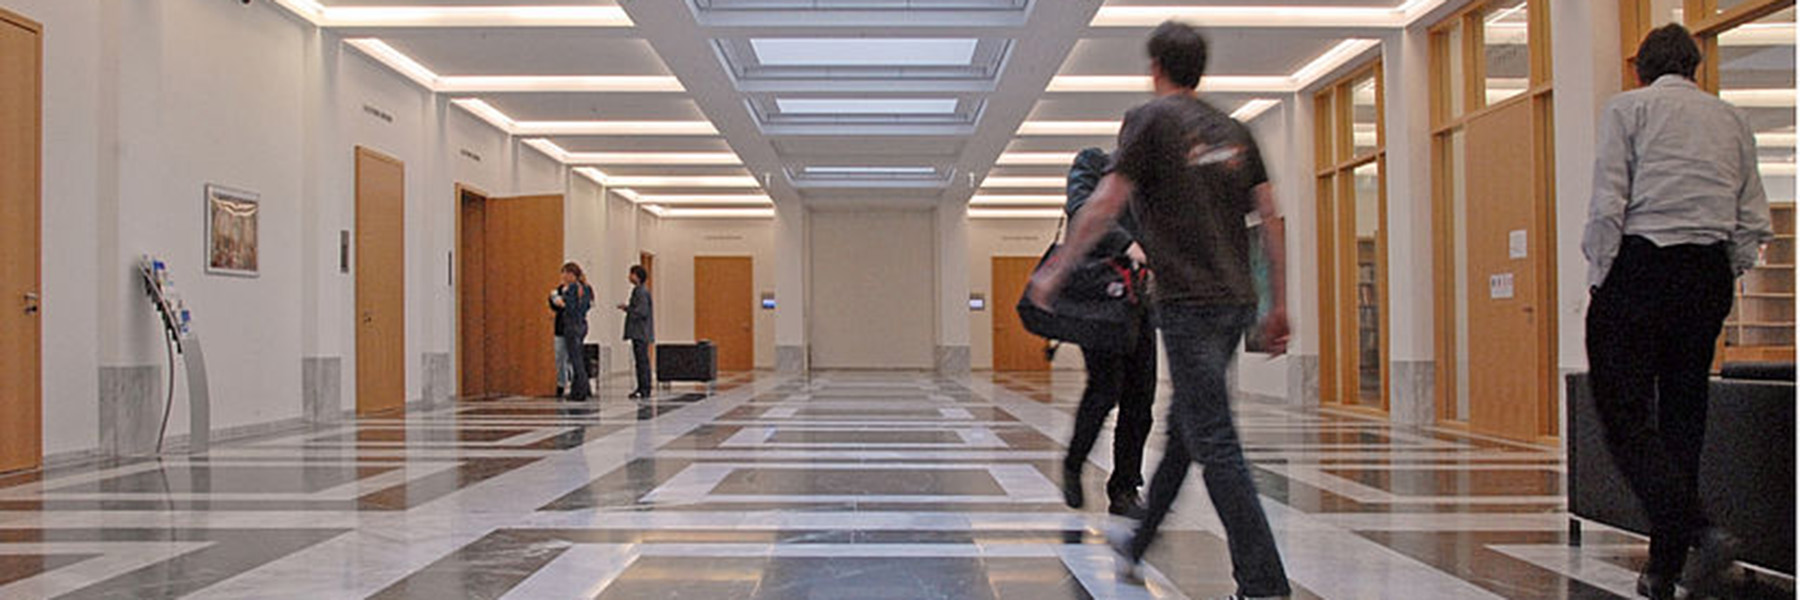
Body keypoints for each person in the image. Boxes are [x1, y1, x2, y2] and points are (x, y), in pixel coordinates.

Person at [1027, 21, 1291, 600]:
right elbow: (1269, 220)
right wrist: (1279, 303)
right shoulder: (1236, 131)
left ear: (1155, 68)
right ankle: (1138, 543)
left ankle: (1264, 583)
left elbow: (1104, 203)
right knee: (1185, 430)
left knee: (1214, 440)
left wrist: (1057, 269)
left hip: (1190, 305)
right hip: (1236, 303)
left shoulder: (1151, 121)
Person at [1582, 23, 1771, 600]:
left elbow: (1609, 201)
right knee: (1685, 418)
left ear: (1641, 69)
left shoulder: (1628, 109)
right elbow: (1752, 216)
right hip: (1706, 272)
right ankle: (1663, 568)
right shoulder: (1732, 119)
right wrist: (1724, 271)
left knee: (1622, 413)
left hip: (1642, 264)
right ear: (1694, 66)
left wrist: (1601, 277)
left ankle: (1700, 529)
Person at [1059, 147, 1156, 518]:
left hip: (1139, 301)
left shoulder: (1152, 180)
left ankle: (1125, 489)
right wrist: (1127, 244)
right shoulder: (1092, 163)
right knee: (1105, 389)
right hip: (1099, 298)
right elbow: (1081, 209)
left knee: (1140, 398)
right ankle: (1074, 462)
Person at [552, 262, 594, 402]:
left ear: (571, 274)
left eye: (565, 273)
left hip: (572, 325)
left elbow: (569, 307)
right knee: (578, 358)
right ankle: (583, 388)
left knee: (576, 360)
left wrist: (559, 300)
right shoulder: (586, 288)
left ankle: (579, 392)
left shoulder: (572, 288)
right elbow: (587, 306)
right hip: (582, 324)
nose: (563, 276)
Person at [617, 265, 655, 399]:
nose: (629, 277)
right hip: (640, 332)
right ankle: (643, 387)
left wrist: (628, 309)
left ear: (637, 276)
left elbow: (642, 311)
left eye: (631, 274)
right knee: (641, 361)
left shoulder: (641, 292)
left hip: (640, 332)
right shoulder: (639, 291)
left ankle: (644, 388)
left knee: (642, 361)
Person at [550, 284, 573, 399]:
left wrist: (565, 304)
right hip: (560, 328)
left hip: (573, 328)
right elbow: (554, 305)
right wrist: (555, 301)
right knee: (559, 357)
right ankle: (561, 384)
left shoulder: (579, 289)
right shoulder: (558, 290)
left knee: (571, 358)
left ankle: (573, 384)